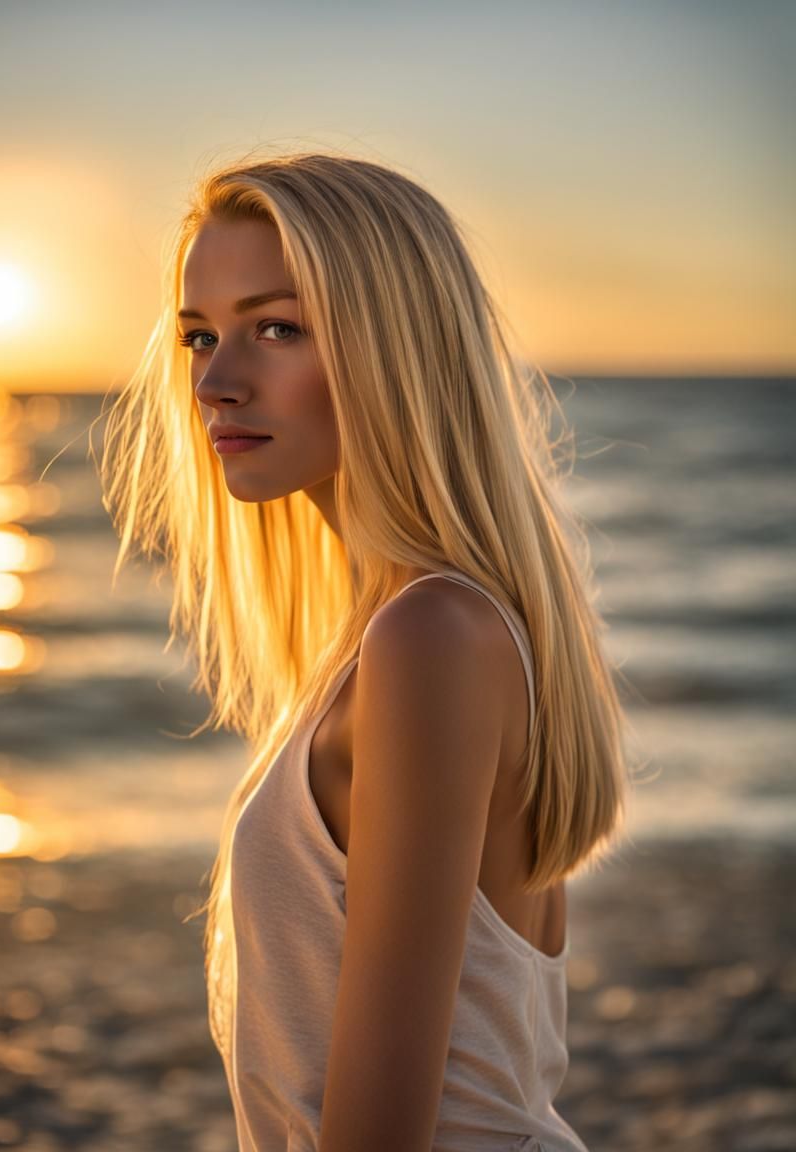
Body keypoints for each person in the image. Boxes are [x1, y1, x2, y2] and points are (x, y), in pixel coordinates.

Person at [99, 150, 633, 1151]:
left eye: (276, 329)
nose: (215, 380)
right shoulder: (404, 634)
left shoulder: (431, 637)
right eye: (200, 336)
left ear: (395, 348)